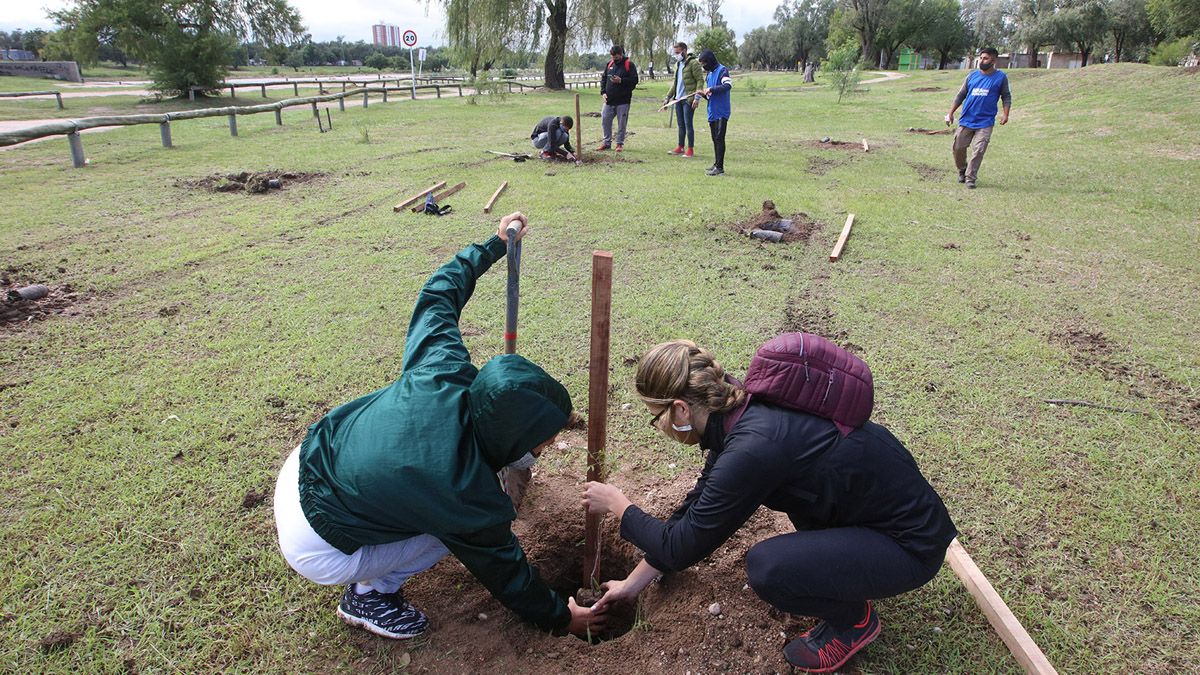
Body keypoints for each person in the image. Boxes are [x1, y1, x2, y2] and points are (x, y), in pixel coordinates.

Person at [274, 213, 604, 641]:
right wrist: (562, 618)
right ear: (515, 439)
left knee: (424, 509)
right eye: (543, 443)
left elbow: (438, 295)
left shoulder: (444, 367)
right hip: (315, 541)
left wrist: (495, 244)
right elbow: (506, 572)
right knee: (442, 536)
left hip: (306, 461)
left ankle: (371, 560)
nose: (549, 446)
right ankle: (369, 596)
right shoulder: (467, 495)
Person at [582, 340, 957, 673]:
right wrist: (633, 584)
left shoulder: (751, 448)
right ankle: (853, 572)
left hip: (909, 545)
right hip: (876, 517)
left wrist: (619, 505)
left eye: (656, 417)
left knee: (769, 568)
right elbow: (696, 512)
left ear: (680, 410)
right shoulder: (739, 410)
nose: (660, 427)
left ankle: (854, 622)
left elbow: (682, 546)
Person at [945, 47, 1011, 189]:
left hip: (985, 121)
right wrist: (950, 113)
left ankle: (970, 178)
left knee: (979, 149)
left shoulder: (1000, 77)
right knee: (958, 147)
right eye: (980, 58)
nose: (982, 61)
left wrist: (1005, 114)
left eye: (985, 58)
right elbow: (960, 95)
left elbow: (1006, 96)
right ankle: (962, 170)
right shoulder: (972, 76)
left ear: (993, 60)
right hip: (967, 119)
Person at [597, 45, 639, 152]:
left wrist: (621, 81)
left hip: (623, 101)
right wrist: (603, 92)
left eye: (615, 57)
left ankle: (619, 144)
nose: (614, 59)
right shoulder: (609, 64)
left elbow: (634, 81)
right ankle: (606, 143)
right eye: (612, 57)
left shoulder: (629, 65)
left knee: (621, 123)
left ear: (621, 55)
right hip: (609, 100)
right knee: (605, 120)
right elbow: (604, 79)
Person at [697, 49, 732, 176]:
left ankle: (720, 167)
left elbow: (727, 86)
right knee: (714, 139)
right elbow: (710, 96)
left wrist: (711, 88)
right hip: (712, 112)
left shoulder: (723, 70)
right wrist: (703, 94)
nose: (703, 67)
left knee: (719, 138)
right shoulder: (709, 75)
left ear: (710, 61)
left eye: (704, 63)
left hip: (721, 111)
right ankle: (716, 164)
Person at [667, 42, 704, 158]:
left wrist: (697, 98)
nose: (676, 55)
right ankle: (680, 147)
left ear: (684, 50)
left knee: (688, 124)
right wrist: (668, 97)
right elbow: (675, 84)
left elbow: (700, 81)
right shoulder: (678, 65)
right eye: (675, 53)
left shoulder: (694, 63)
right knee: (680, 125)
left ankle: (690, 149)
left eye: (678, 52)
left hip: (688, 100)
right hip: (678, 99)